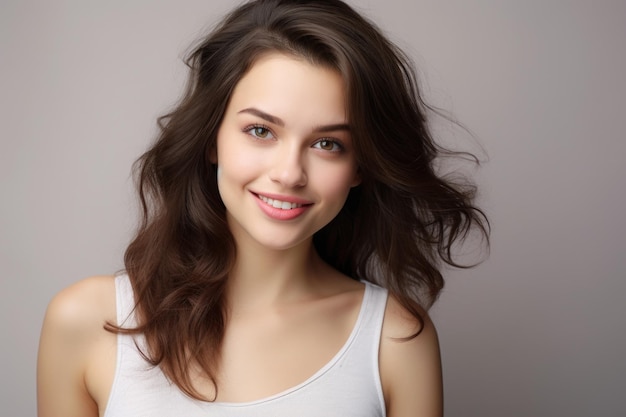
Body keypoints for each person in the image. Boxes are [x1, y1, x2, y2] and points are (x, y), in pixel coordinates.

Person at [37, 0, 489, 416]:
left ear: (361, 167)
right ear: (211, 139)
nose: (290, 172)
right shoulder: (86, 322)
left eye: (328, 143)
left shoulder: (394, 340)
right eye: (260, 131)